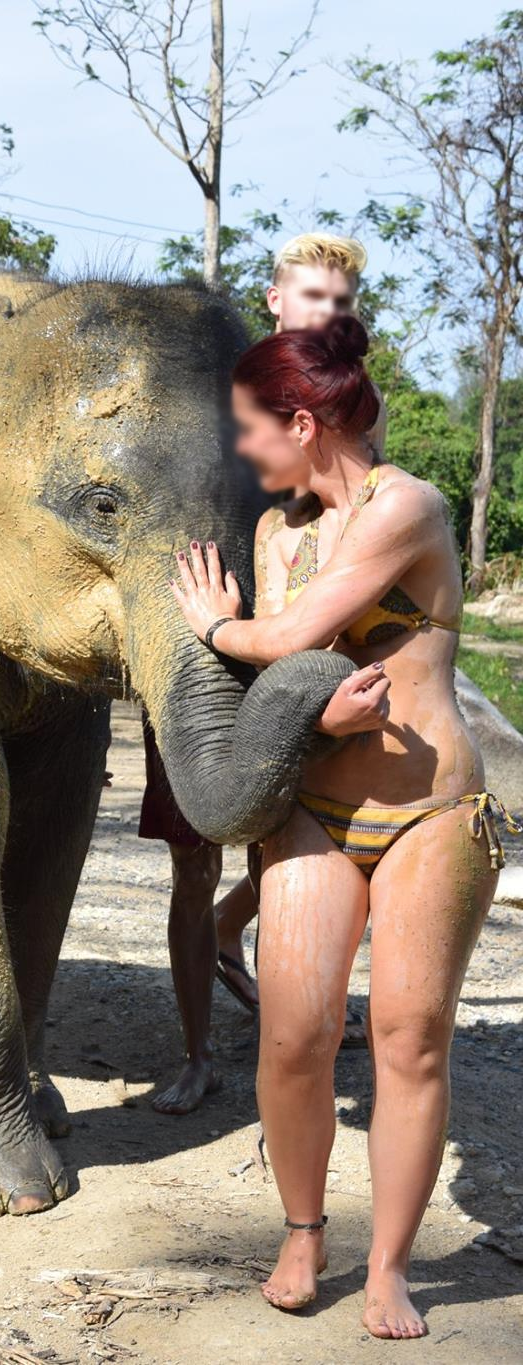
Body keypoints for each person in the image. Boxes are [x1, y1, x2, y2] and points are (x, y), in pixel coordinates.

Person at [172, 314, 510, 1339]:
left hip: (430, 814)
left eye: (249, 428)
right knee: (292, 1038)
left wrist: (213, 628)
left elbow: (276, 638)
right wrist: (305, 705)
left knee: (408, 1039)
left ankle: (390, 1267)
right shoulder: (278, 532)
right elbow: (288, 674)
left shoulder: (405, 505)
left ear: (302, 419)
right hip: (315, 808)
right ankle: (303, 1230)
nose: (242, 449)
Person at [147, 231, 379, 1117]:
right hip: (208, 645)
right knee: (192, 857)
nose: (328, 314)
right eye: (313, 300)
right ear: (277, 303)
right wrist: (208, 620)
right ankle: (198, 1052)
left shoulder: (362, 409)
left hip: (299, 655)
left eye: (342, 304)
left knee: (295, 851)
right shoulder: (222, 389)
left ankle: (282, 1056)